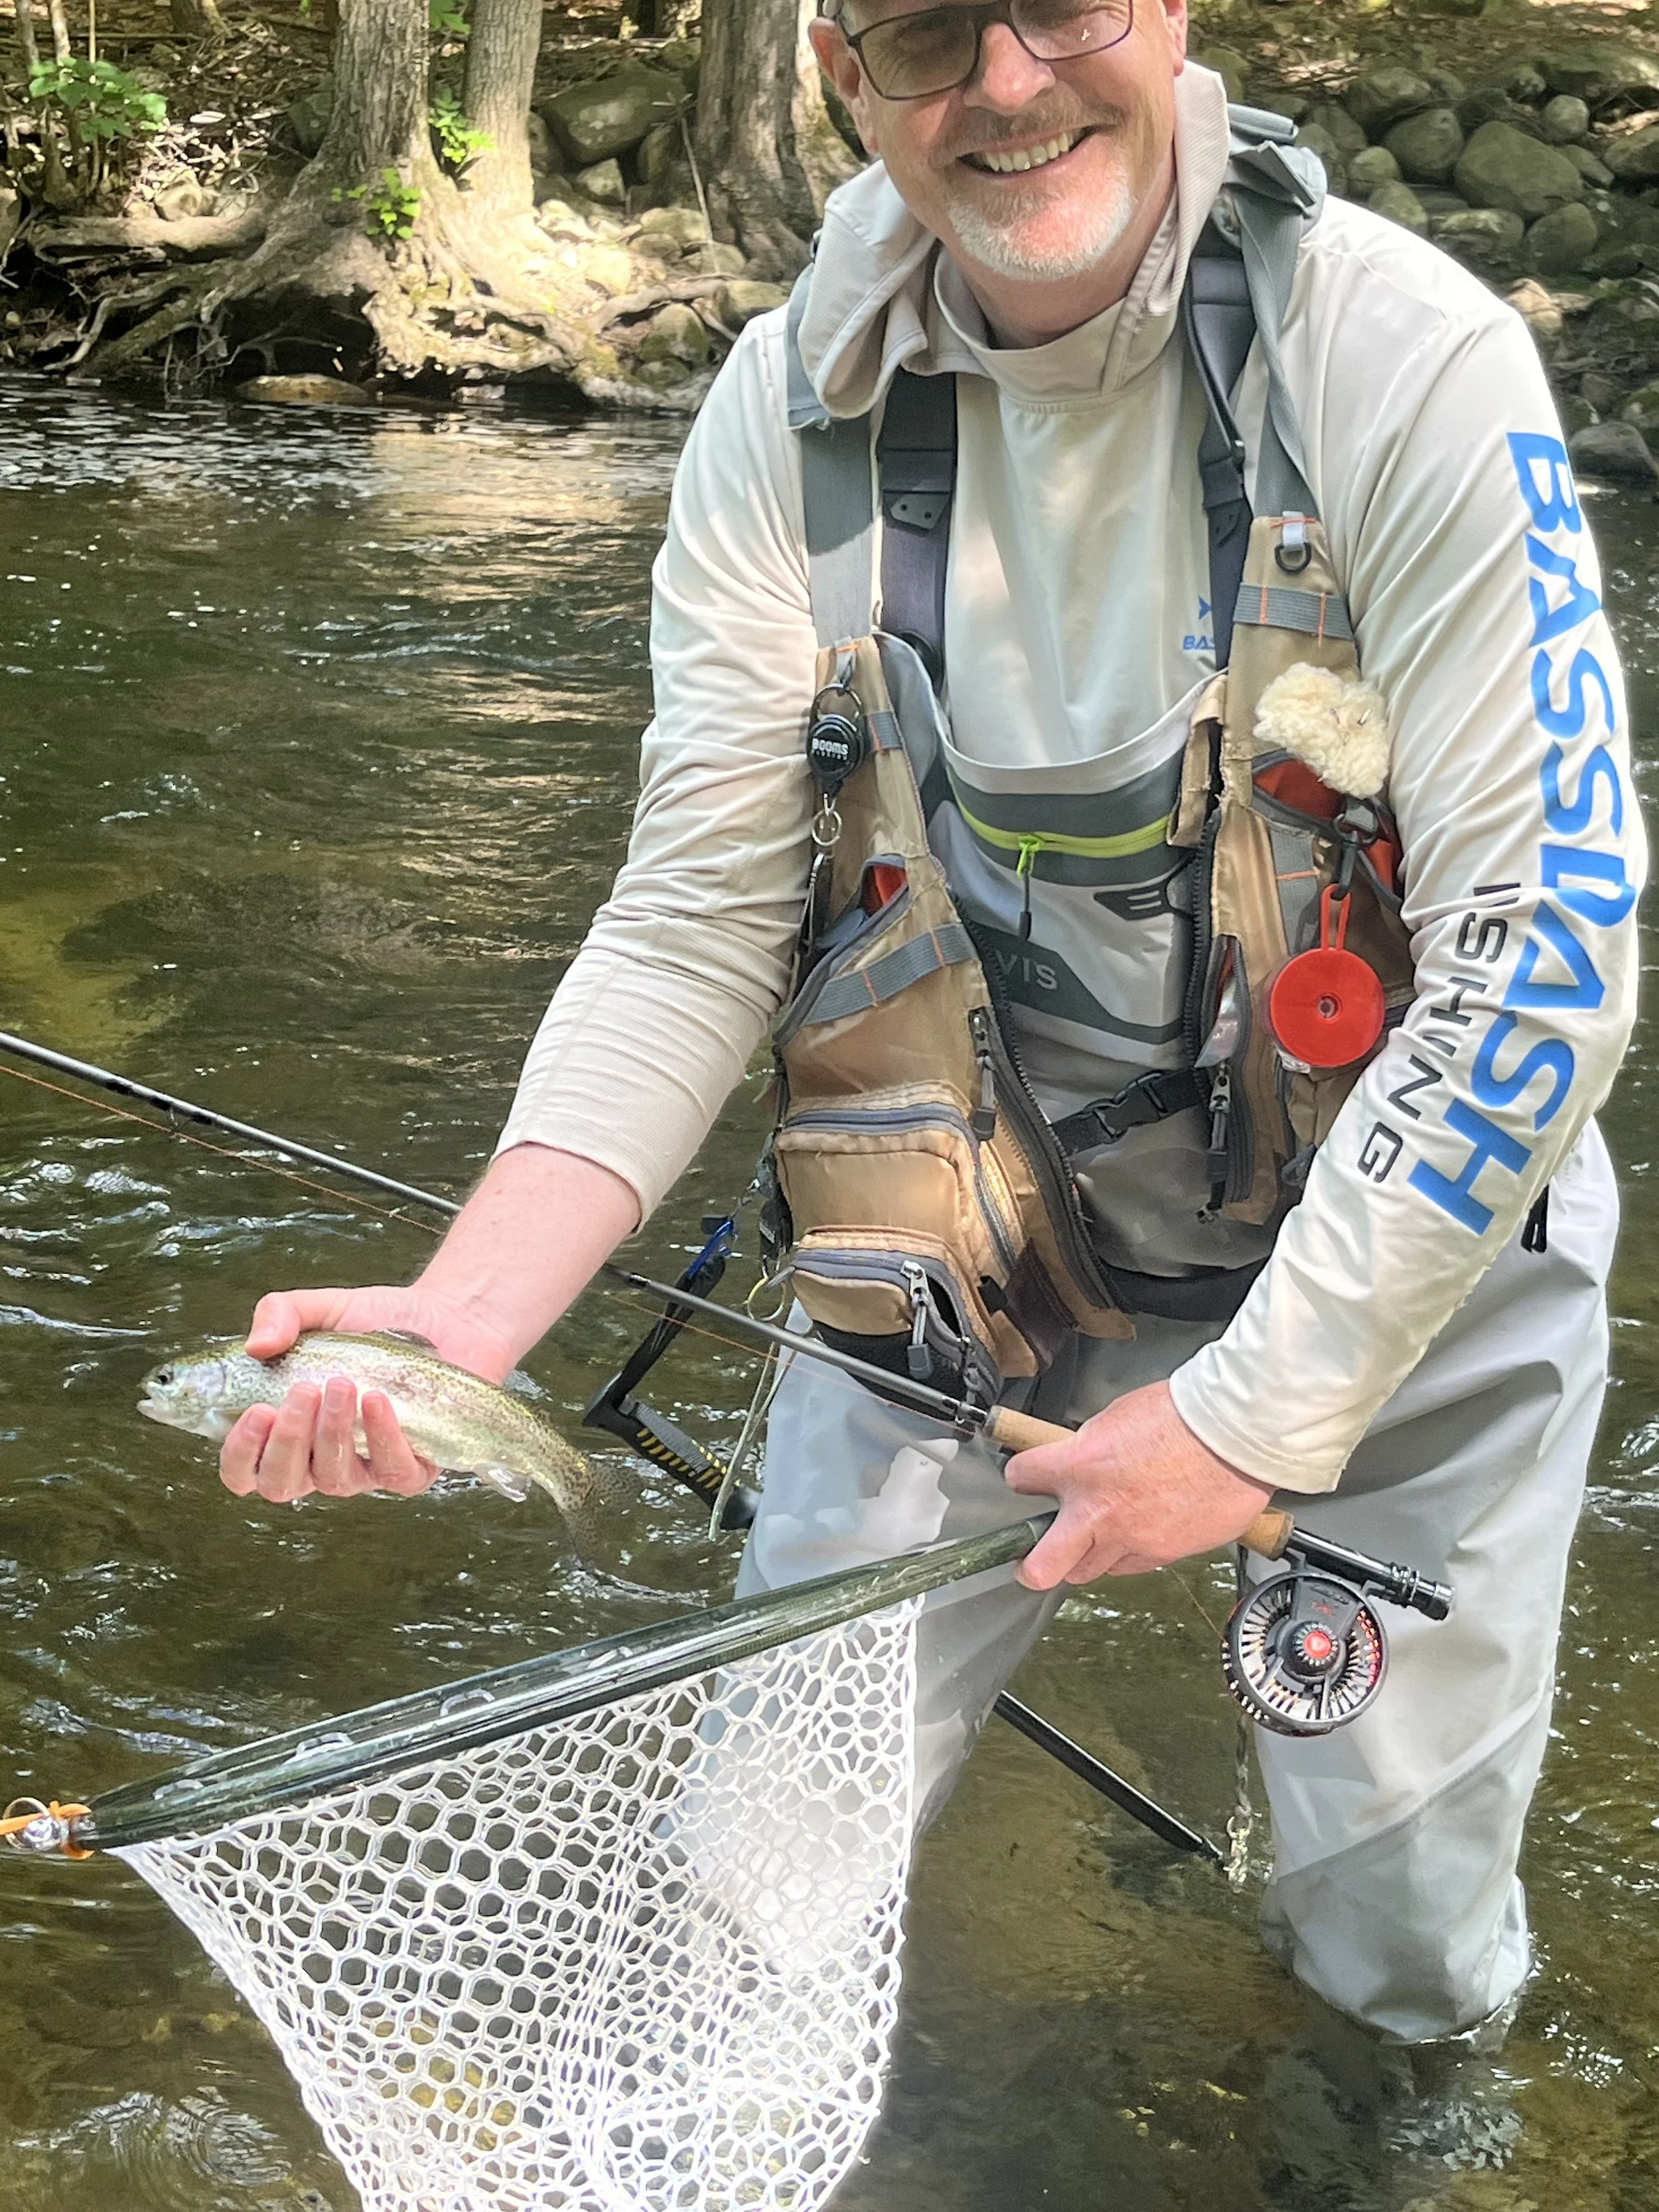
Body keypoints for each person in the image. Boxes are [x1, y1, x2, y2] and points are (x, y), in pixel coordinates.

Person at [219, 0, 1643, 2054]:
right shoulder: (779, 417)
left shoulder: (1396, 358)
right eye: (914, 25)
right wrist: (466, 1318)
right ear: (832, 66)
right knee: (746, 1910)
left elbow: (1548, 942)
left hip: (1407, 1265)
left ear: (1165, 15)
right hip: (963, 1283)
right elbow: (698, 913)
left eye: (1058, 3)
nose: (1000, 78)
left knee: (1394, 1958)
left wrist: (1253, 1419)